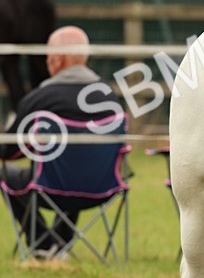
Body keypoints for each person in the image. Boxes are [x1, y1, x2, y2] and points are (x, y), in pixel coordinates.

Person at [0, 26, 123, 256]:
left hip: (51, 187)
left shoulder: (39, 98)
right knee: (75, 165)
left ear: (57, 59)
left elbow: (10, 151)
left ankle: (42, 243)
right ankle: (61, 244)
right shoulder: (109, 96)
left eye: (48, 56)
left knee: (11, 173)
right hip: (103, 186)